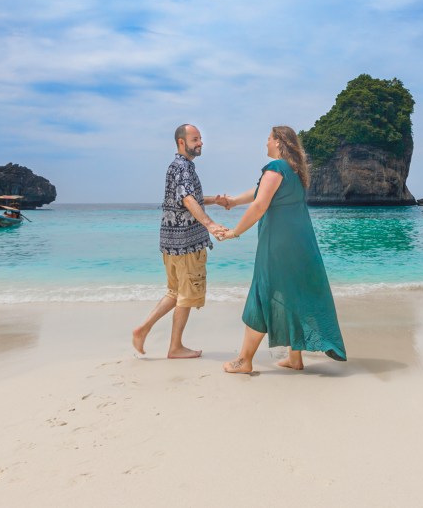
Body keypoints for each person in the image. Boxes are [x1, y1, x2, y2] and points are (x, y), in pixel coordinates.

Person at [217, 125, 346, 373]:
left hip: (278, 244)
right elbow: (259, 193)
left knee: (263, 292)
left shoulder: (275, 168)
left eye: (268, 139)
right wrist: (233, 201)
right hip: (300, 243)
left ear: (278, 142)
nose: (265, 143)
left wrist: (235, 232)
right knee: (291, 293)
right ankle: (295, 358)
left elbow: (259, 205)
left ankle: (244, 360)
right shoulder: (294, 171)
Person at [132, 124, 229, 359]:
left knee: (175, 292)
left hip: (170, 243)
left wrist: (215, 201)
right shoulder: (184, 167)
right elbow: (186, 199)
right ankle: (175, 347)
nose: (201, 143)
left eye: (201, 139)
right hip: (187, 244)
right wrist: (210, 224)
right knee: (186, 295)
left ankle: (143, 329)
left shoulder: (176, 167)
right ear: (181, 142)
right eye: (195, 139)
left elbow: (187, 197)